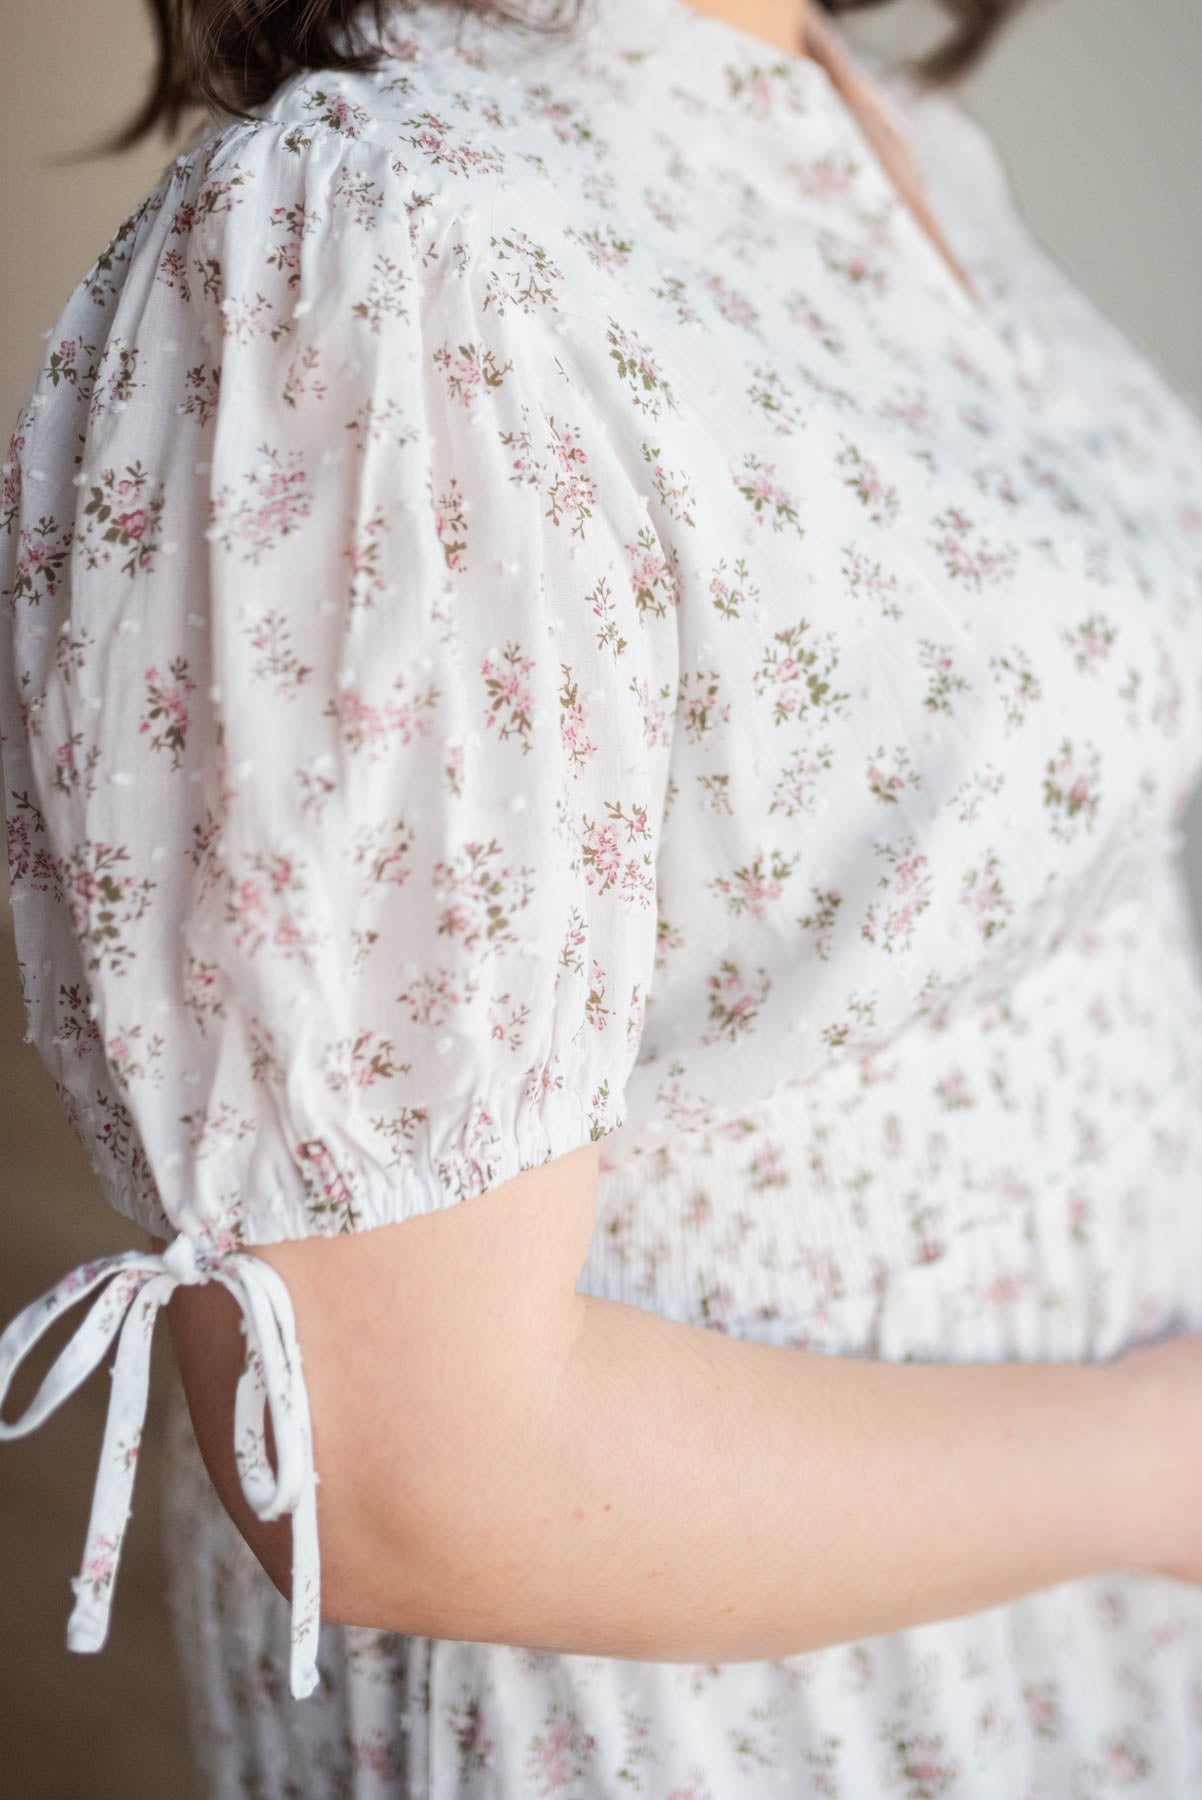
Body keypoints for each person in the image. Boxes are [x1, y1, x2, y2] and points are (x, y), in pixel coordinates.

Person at [3, 0, 1202, 1790]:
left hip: (1061, 1593)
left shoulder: (860, 119)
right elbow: (410, 1468)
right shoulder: (393, 246)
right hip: (724, 1701)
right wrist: (1142, 1462)